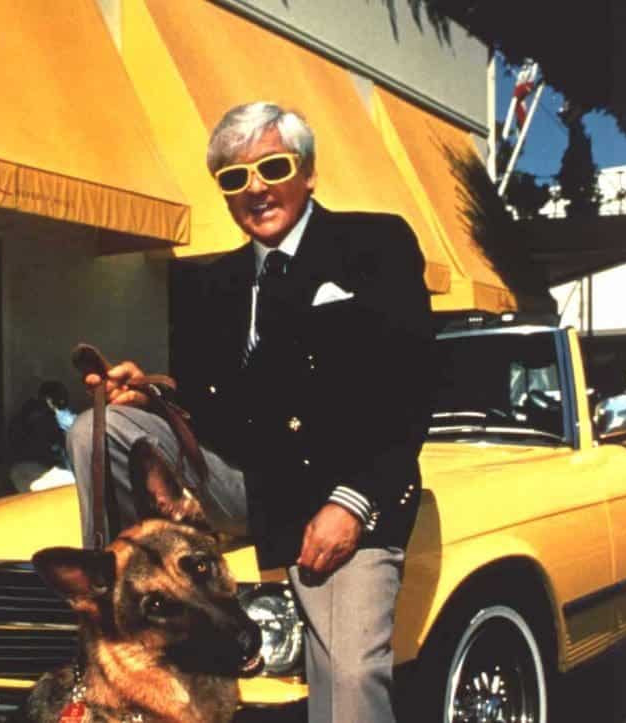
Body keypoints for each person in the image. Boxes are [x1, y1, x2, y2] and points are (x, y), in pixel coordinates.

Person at [66, 102, 435, 723]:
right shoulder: (215, 283)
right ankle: (124, 604)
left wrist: (353, 504)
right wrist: (152, 394)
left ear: (308, 172)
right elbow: (216, 407)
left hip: (341, 491)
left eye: (274, 167)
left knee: (348, 679)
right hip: (247, 483)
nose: (256, 188)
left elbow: (413, 388)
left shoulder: (374, 244)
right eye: (236, 178)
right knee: (96, 431)